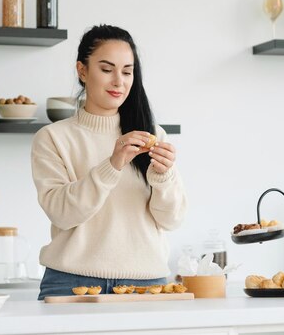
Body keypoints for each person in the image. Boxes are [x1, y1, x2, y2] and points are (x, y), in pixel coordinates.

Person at [31, 24, 187, 299]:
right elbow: (61, 213)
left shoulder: (153, 134)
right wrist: (112, 165)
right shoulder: (53, 138)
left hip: (147, 284)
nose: (119, 81)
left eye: (127, 71)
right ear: (82, 71)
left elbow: (172, 219)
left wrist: (164, 178)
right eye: (106, 69)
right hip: (71, 282)